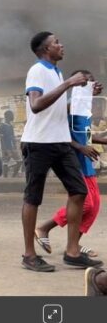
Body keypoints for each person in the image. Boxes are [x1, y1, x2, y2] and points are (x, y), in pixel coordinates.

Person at [20, 31, 101, 272]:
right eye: (56, 42)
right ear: (45, 49)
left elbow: (55, 106)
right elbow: (36, 105)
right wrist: (69, 84)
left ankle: (72, 252)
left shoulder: (56, 72)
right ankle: (29, 254)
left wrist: (85, 93)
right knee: (33, 197)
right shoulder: (37, 70)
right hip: (38, 143)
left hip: (60, 141)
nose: (61, 45)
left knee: (78, 192)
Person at [34, 70, 104, 266]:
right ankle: (44, 228)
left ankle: (73, 246)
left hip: (85, 160)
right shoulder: (66, 107)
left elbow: (85, 134)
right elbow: (61, 133)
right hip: (72, 159)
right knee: (86, 204)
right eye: (86, 81)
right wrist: (81, 147)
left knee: (95, 205)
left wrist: (101, 140)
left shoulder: (84, 108)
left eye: (92, 81)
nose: (91, 84)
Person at [0, 110, 22, 178]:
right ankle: (5, 178)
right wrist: (5, 149)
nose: (13, 117)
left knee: (19, 161)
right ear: (7, 116)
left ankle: (13, 176)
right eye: (11, 115)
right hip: (6, 148)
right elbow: (1, 139)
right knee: (5, 163)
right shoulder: (2, 126)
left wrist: (15, 147)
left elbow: (12, 137)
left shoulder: (11, 126)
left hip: (12, 148)